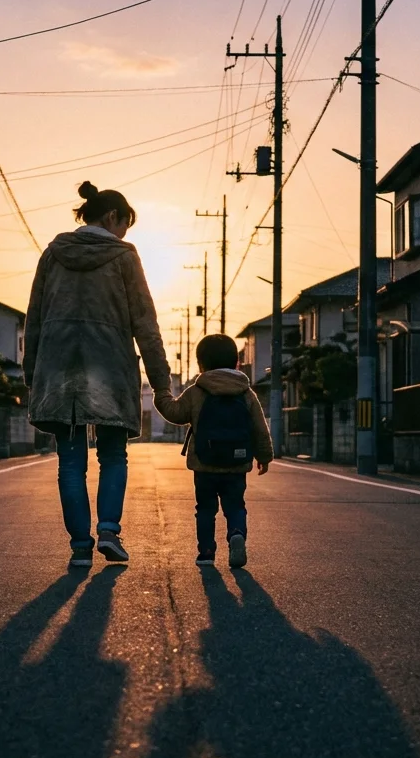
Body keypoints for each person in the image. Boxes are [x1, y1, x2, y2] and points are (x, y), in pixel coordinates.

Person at [24, 181, 173, 568]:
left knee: (70, 462)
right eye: (124, 224)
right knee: (113, 455)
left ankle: (79, 547)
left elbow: (34, 319)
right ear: (112, 217)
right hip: (110, 369)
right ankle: (108, 530)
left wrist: (31, 375)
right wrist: (160, 382)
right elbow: (145, 321)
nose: (124, 233)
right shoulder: (124, 256)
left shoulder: (53, 255)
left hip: (57, 371)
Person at [153, 334, 273, 568]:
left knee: (205, 509)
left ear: (201, 364)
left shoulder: (196, 391)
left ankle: (206, 551)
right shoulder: (246, 393)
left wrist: (161, 393)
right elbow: (260, 428)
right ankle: (236, 532)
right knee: (235, 505)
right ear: (236, 362)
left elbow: (175, 413)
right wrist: (265, 456)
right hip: (237, 465)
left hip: (204, 465)